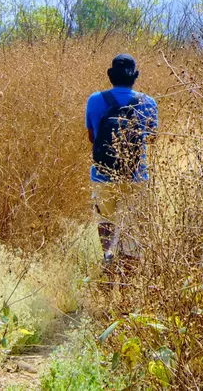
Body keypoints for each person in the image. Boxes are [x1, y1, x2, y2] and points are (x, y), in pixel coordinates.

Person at [85, 54, 158, 278]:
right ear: (135, 77)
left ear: (110, 76)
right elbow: (152, 137)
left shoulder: (95, 100)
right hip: (136, 176)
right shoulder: (148, 102)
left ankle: (108, 255)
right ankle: (127, 287)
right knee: (132, 228)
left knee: (106, 221)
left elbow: (92, 137)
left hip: (102, 174)